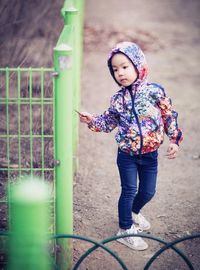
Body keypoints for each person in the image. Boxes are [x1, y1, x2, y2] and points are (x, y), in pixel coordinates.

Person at [78, 42, 183, 251]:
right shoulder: (118, 99)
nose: (120, 73)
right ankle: (125, 230)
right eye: (115, 70)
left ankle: (134, 213)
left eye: (125, 67)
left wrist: (174, 139)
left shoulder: (155, 91)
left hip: (150, 154)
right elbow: (108, 122)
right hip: (126, 154)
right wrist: (92, 120)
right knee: (129, 190)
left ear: (138, 65)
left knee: (148, 191)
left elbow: (168, 115)